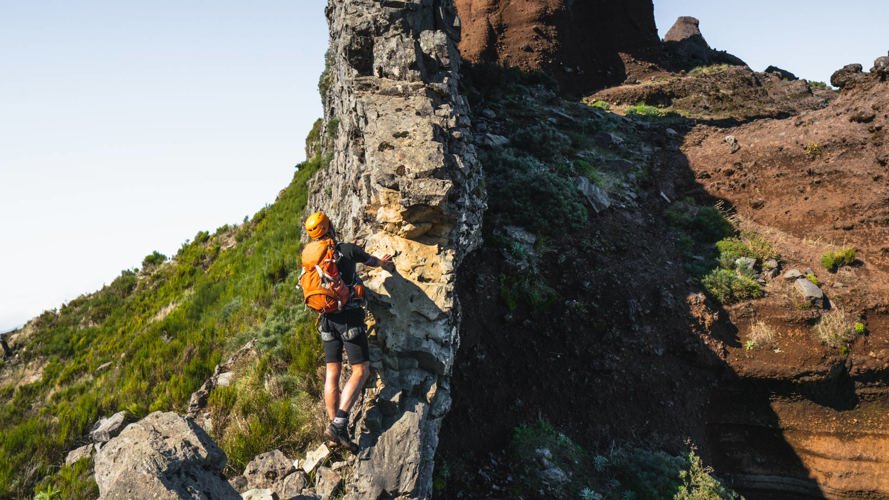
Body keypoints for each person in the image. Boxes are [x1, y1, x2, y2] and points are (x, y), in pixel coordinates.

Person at [303, 211, 394, 452]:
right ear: (330, 226)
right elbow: (372, 262)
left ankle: (334, 432)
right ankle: (340, 424)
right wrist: (384, 262)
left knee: (332, 372)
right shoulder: (347, 249)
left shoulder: (312, 257)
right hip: (349, 319)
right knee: (361, 370)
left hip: (326, 320)